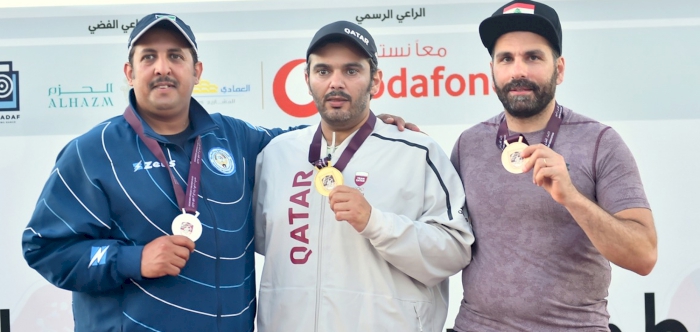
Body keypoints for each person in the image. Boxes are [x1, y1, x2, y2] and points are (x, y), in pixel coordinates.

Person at [21, 13, 411, 332]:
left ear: (196, 70)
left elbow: (304, 142)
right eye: (148, 57)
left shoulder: (234, 137)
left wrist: (365, 125)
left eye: (176, 56)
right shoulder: (93, 151)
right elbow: (45, 248)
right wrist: (132, 260)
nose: (162, 68)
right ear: (129, 71)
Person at [253, 21, 475, 332]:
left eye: (351, 71)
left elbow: (455, 250)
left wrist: (375, 223)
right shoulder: (277, 155)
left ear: (376, 81)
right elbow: (260, 242)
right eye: (323, 71)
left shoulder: (417, 152)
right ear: (307, 80)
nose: (336, 82)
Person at [450, 1, 658, 331]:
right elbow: (438, 235)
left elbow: (643, 255)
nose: (518, 70)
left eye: (533, 57)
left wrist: (573, 198)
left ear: (559, 69)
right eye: (506, 59)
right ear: (492, 71)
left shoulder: (601, 142)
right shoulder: (468, 144)